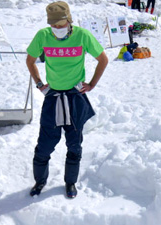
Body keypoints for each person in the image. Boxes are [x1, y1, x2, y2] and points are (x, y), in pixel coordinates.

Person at [25, 1, 109, 199]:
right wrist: (39, 83)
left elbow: (103, 59)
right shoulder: (43, 36)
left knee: (74, 143)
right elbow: (30, 60)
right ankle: (40, 181)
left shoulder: (82, 35)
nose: (57, 29)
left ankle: (70, 182)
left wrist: (92, 84)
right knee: (45, 144)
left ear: (69, 21)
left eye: (61, 25)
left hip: (74, 96)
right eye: (53, 25)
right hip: (53, 96)